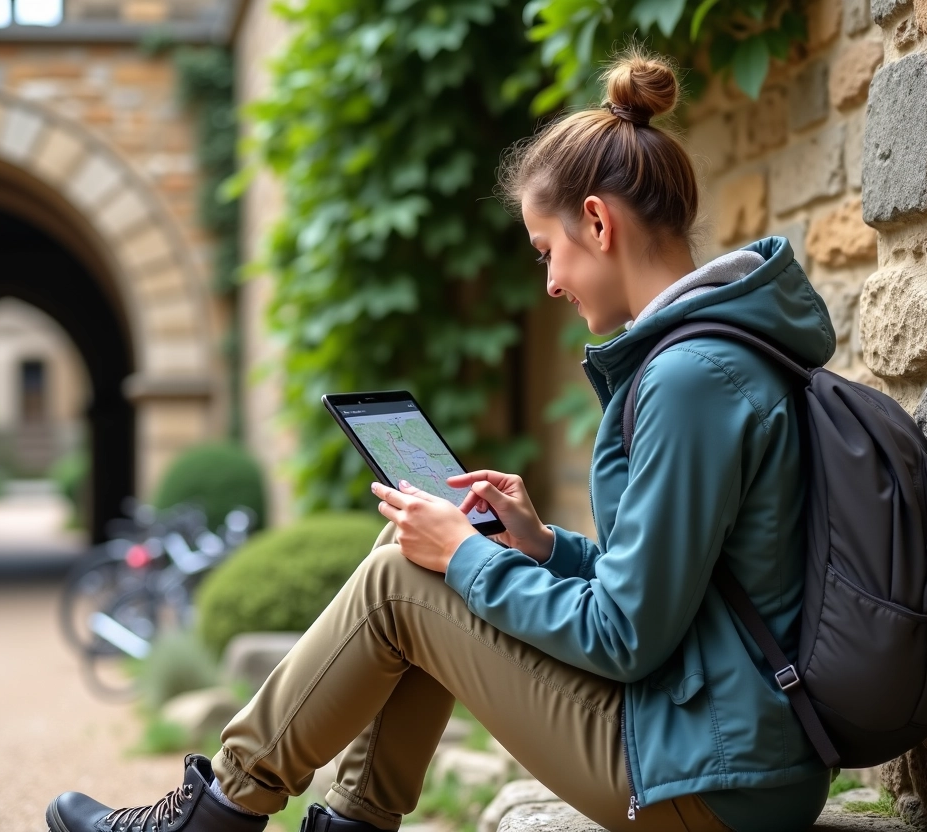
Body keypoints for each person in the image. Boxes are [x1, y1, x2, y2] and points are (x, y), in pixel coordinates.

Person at [46, 47, 834, 832]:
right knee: (428, 573)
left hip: (713, 778)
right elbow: (681, 599)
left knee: (405, 580)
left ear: (597, 221)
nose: (551, 283)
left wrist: (466, 554)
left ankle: (219, 811)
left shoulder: (691, 378)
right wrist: (541, 547)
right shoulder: (714, 357)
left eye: (545, 251)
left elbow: (626, 634)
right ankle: (331, 819)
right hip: (725, 747)